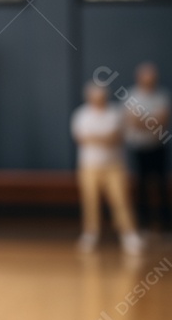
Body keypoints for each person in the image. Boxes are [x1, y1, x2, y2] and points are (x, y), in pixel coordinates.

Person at [71, 82, 144, 254]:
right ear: (89, 97)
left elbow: (116, 137)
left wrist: (96, 138)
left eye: (101, 96)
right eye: (94, 96)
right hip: (88, 166)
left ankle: (129, 234)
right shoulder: (81, 114)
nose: (98, 99)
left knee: (120, 200)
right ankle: (91, 234)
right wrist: (103, 138)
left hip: (114, 166)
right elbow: (81, 138)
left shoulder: (115, 113)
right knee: (90, 201)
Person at [124, 62, 171, 235]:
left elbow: (162, 120)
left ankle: (165, 224)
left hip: (158, 147)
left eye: (152, 77)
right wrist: (151, 121)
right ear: (139, 78)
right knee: (141, 185)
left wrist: (144, 121)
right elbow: (132, 122)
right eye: (146, 77)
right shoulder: (131, 96)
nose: (149, 80)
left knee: (161, 184)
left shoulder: (162, 96)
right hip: (138, 148)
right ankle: (144, 223)